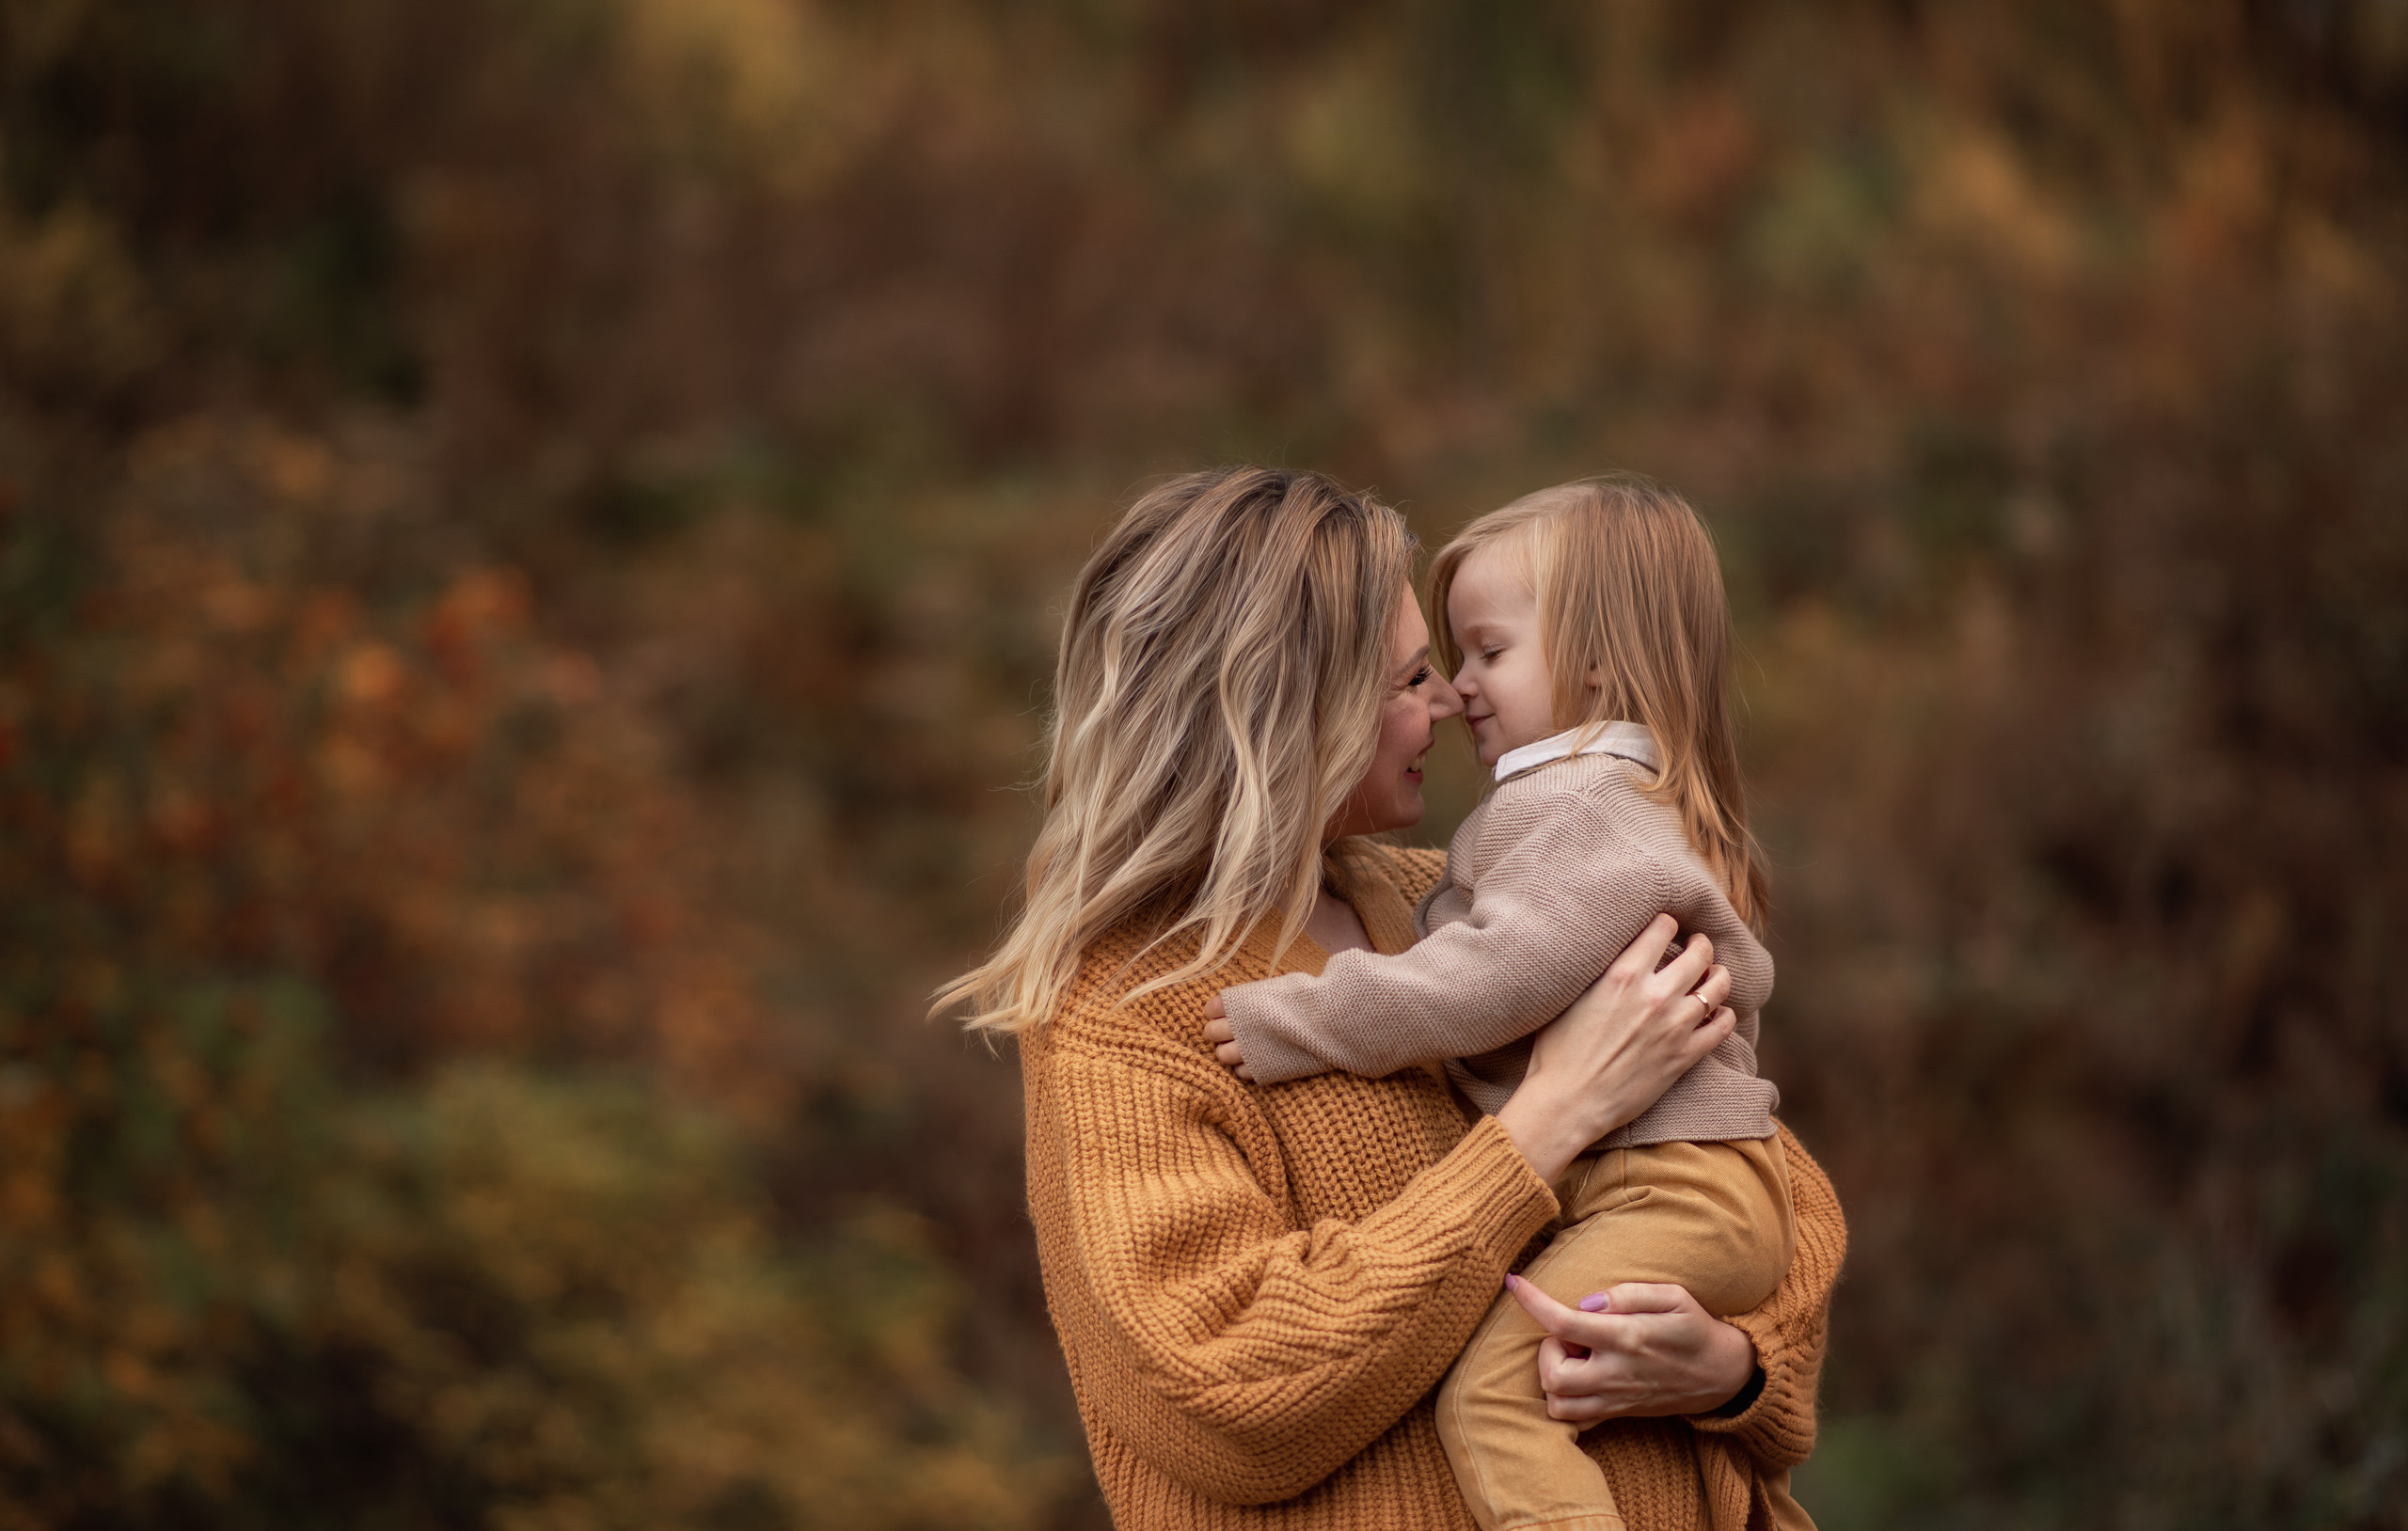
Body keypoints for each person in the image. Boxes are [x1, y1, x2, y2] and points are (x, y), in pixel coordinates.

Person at [937, 467, 1845, 1531]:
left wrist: (1730, 1368)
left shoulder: (1454, 907)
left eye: (1457, 664)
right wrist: (1547, 1123)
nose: (1450, 698)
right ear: (1288, 711)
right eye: (1410, 678)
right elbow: (1230, 1394)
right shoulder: (1130, 1018)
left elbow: (1771, 1190)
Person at [1206, 476, 1803, 1531]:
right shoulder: (1596, 807)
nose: (1455, 689)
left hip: (1665, 1191)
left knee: (1492, 1397)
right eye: (1431, 666)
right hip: (1681, 1190)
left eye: (1486, 651)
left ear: (1596, 660)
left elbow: (1485, 983)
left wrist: (1297, 1017)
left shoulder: (1573, 809)